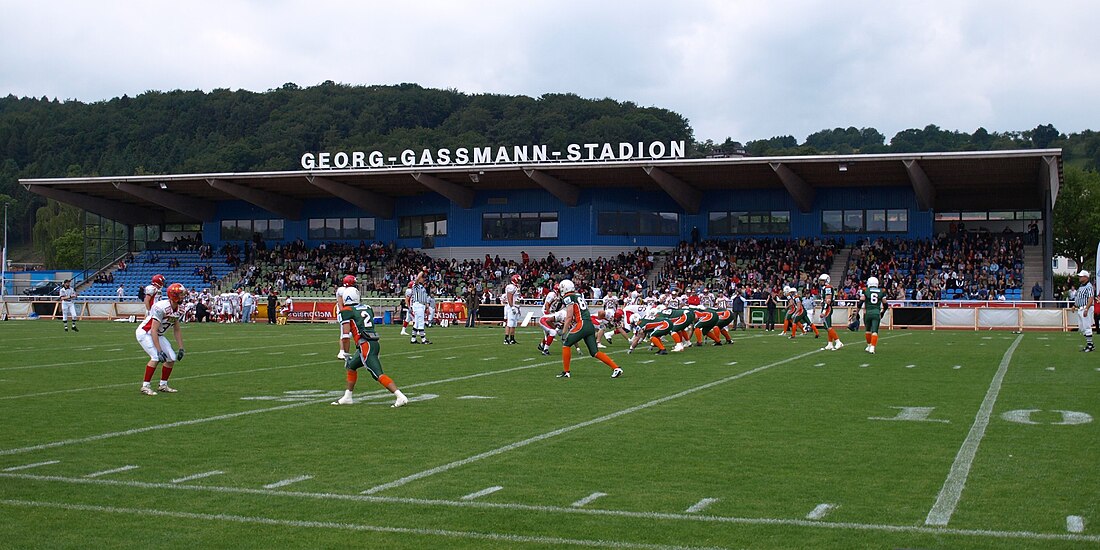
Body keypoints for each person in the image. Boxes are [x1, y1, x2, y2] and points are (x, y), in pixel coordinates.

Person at [331, 285, 409, 407]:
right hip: (373, 342)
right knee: (352, 367)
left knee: (377, 374)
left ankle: (400, 396)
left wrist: (345, 353)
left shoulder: (346, 311)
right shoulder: (367, 308)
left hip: (365, 345)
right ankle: (348, 396)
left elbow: (346, 336)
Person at [556, 279, 623, 379]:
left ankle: (566, 372)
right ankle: (616, 368)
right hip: (589, 324)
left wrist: (564, 331)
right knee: (594, 352)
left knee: (566, 344)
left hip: (582, 324)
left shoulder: (568, 297)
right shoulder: (578, 295)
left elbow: (569, 316)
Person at [136, 283, 187, 396]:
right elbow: (153, 329)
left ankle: (163, 385)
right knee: (155, 357)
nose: (183, 297)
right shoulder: (161, 307)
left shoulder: (180, 309)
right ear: (174, 296)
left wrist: (181, 348)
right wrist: (159, 350)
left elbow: (176, 329)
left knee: (171, 358)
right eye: (181, 294)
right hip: (145, 332)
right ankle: (145, 386)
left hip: (157, 334)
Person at [856, 276, 885, 354]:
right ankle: (872, 347)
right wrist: (883, 312)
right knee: (875, 331)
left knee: (868, 330)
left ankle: (869, 346)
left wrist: (857, 312)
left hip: (867, 313)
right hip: (876, 312)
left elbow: (860, 303)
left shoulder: (865, 290)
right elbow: (885, 304)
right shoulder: (881, 291)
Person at [818, 274, 844, 351]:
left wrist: (824, 310)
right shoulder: (825, 288)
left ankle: (838, 341)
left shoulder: (828, 287)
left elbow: (828, 300)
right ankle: (830, 343)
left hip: (827, 308)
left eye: (822, 281)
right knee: (827, 326)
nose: (820, 282)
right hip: (826, 307)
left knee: (828, 327)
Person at [336, 275, 357, 359]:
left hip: (349, 312)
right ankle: (342, 352)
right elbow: (340, 303)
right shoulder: (342, 290)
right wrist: (343, 313)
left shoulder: (351, 290)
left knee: (350, 332)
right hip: (344, 312)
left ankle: (344, 351)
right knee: (344, 333)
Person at [1074, 270, 1094, 352]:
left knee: (1087, 326)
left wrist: (1087, 308)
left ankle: (1090, 345)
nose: (1079, 277)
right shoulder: (1081, 286)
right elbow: (1079, 297)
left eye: (1081, 276)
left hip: (1085, 308)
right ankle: (1090, 344)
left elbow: (1090, 298)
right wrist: (1075, 305)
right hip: (1080, 307)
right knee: (1082, 328)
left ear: (1086, 277)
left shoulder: (1089, 286)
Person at [409, 272, 432, 344]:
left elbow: (424, 299)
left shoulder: (422, 288)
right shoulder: (416, 286)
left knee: (417, 323)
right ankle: (423, 339)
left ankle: (413, 339)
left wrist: (427, 307)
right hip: (418, 305)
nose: (423, 279)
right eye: (423, 278)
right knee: (421, 322)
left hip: (421, 305)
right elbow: (417, 278)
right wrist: (422, 271)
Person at [503, 274, 521, 345]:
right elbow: (509, 297)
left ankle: (512, 339)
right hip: (511, 307)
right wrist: (512, 306)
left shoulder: (516, 287)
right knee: (509, 323)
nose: (519, 281)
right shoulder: (511, 287)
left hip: (516, 306)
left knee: (514, 324)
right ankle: (506, 339)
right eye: (518, 280)